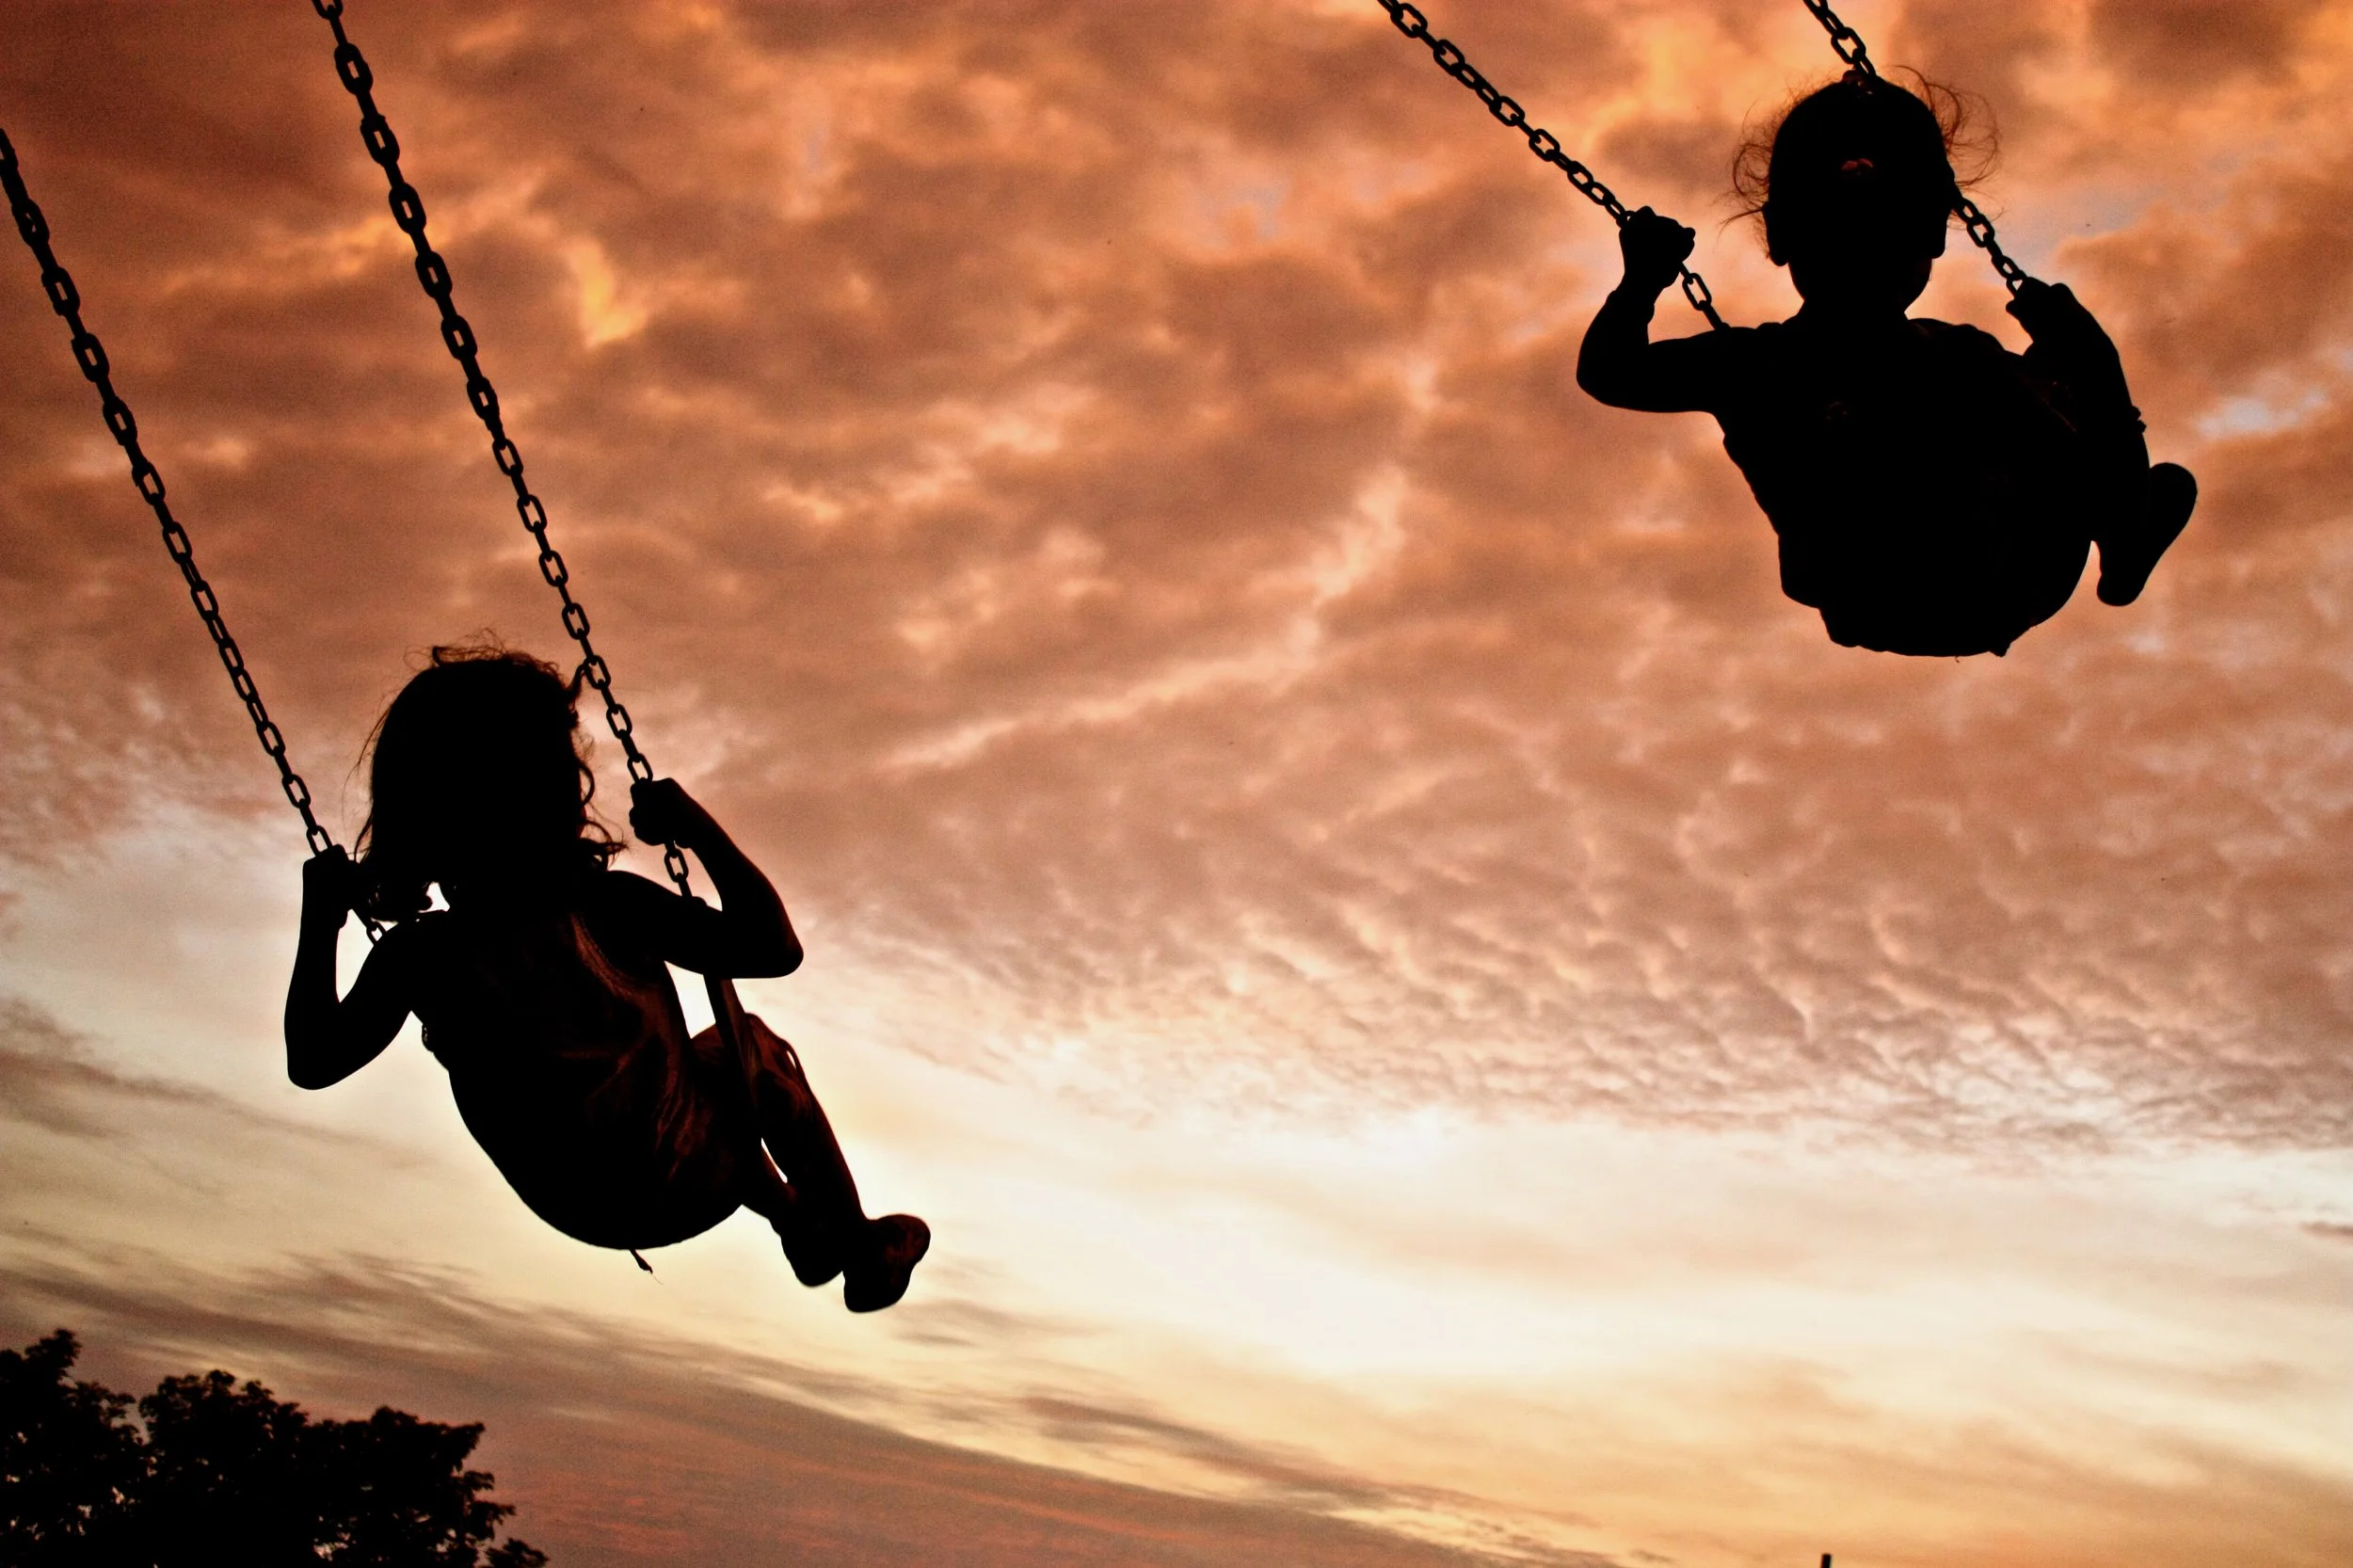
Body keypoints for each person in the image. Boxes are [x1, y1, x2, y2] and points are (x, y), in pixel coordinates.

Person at [283, 646, 927, 1311]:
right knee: (754, 1053)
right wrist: (696, 828)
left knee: (694, 1079)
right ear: (549, 788)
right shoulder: (608, 906)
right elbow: (774, 948)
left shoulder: (422, 955)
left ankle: (796, 1222)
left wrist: (320, 922)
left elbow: (314, 1058)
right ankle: (854, 1243)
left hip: (577, 1203)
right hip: (682, 1178)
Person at [1577, 73, 2195, 657]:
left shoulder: (1752, 364)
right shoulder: (1960, 364)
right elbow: (2086, 484)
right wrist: (2095, 363)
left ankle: (2125, 525)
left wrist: (1641, 283)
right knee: (2061, 389)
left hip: (1907, 597)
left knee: (2047, 384)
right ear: (1935, 237)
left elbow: (1610, 370)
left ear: (1779, 236)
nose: (1861, 249)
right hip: (1995, 583)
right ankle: (2127, 534)